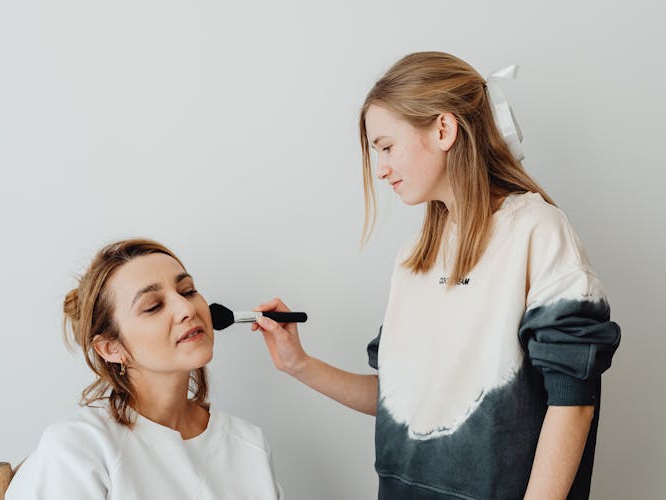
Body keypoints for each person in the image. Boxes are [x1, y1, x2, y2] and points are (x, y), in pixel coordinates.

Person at [252, 52, 620, 500]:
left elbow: (573, 401)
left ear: (443, 130)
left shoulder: (536, 231)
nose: (381, 168)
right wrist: (299, 364)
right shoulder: (414, 258)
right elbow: (401, 402)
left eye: (386, 146)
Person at [6, 238, 283, 500]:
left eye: (188, 291)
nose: (186, 307)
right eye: (153, 307)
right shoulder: (79, 448)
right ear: (111, 348)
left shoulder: (249, 445)